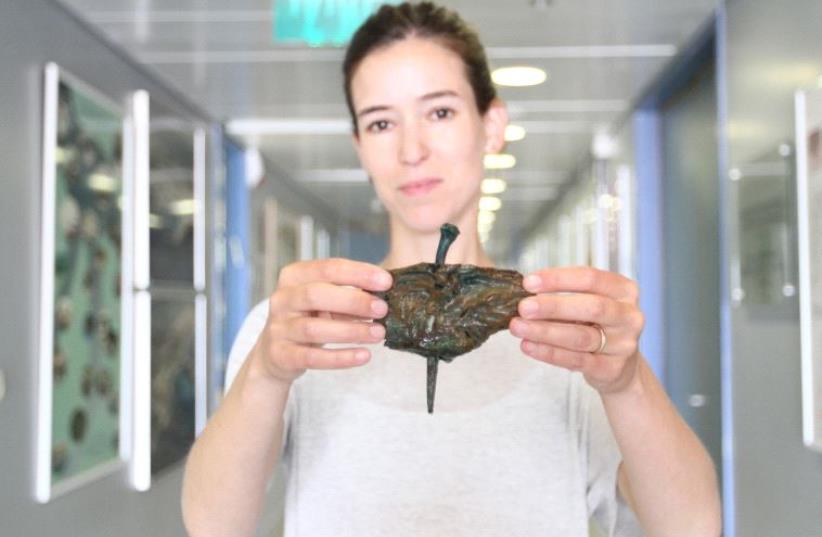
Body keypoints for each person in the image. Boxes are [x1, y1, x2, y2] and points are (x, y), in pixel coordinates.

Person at [181, 3, 721, 536]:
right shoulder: (298, 330)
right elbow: (212, 525)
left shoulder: (564, 334)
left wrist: (627, 384)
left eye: (439, 112)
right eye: (381, 122)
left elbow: (692, 525)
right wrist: (267, 372)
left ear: (492, 125)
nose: (412, 149)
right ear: (361, 149)